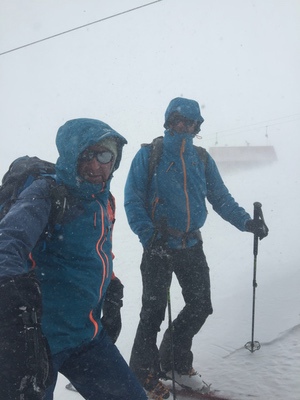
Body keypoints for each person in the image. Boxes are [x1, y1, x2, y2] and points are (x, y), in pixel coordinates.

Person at [124, 97, 269, 399]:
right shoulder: (150, 155)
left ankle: (174, 363)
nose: (186, 127)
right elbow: (133, 200)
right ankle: (143, 373)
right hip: (158, 245)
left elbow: (221, 197)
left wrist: (246, 223)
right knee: (152, 312)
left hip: (191, 243)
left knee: (201, 305)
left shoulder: (200, 158)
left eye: (192, 123)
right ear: (169, 121)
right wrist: (149, 237)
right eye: (181, 121)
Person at [0, 118, 147, 400]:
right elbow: (8, 243)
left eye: (104, 155)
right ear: (71, 156)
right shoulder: (47, 193)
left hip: (86, 335)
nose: (95, 166)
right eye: (86, 155)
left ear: (115, 160)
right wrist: (13, 295)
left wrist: (112, 287)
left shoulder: (104, 200)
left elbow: (98, 251)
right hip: (38, 342)